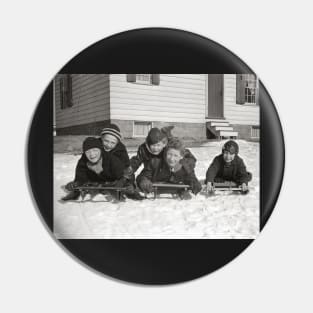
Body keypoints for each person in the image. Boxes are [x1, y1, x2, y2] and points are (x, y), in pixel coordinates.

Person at [137, 137, 202, 199]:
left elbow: (192, 178)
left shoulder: (185, 167)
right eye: (169, 154)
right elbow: (142, 176)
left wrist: (194, 183)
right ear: (165, 153)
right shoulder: (155, 163)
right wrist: (143, 181)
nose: (171, 159)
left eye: (175, 156)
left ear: (181, 156)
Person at [62, 137, 125, 201]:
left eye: (95, 150)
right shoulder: (82, 162)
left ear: (101, 150)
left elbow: (124, 175)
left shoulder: (113, 160)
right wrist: (75, 184)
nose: (92, 155)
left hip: (112, 183)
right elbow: (80, 179)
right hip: (94, 184)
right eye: (88, 152)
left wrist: (121, 182)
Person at [99, 123, 143, 200]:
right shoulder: (96, 147)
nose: (109, 145)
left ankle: (128, 187)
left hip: (117, 175)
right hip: (103, 175)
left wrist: (126, 180)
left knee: (127, 172)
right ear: (101, 138)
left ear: (117, 142)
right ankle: (105, 184)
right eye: (106, 141)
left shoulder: (121, 150)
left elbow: (127, 167)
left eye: (112, 142)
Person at [130, 126, 197, 176]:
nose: (155, 148)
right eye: (153, 145)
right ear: (148, 144)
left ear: (163, 144)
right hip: (151, 173)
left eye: (158, 145)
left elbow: (183, 152)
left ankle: (167, 133)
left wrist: (186, 165)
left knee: (173, 144)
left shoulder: (167, 145)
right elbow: (136, 161)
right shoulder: (143, 149)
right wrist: (128, 172)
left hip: (164, 171)